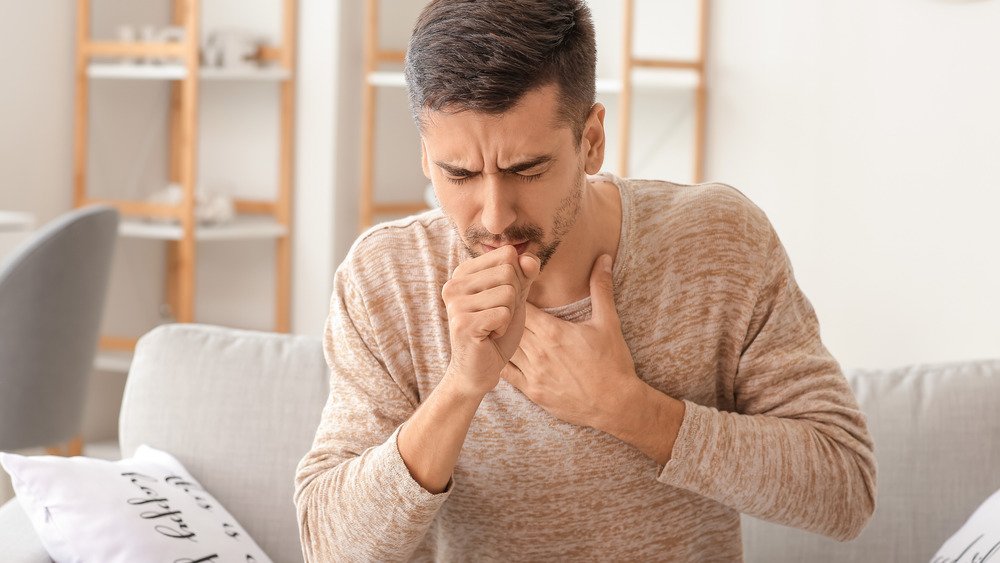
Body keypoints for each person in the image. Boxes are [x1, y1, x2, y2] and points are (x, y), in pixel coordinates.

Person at [293, 0, 877, 560]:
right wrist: (461, 388)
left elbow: (845, 490)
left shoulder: (716, 242)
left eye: (528, 169)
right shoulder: (385, 279)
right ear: (426, 156)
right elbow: (329, 546)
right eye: (460, 174)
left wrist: (625, 408)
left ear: (591, 140)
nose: (494, 215)